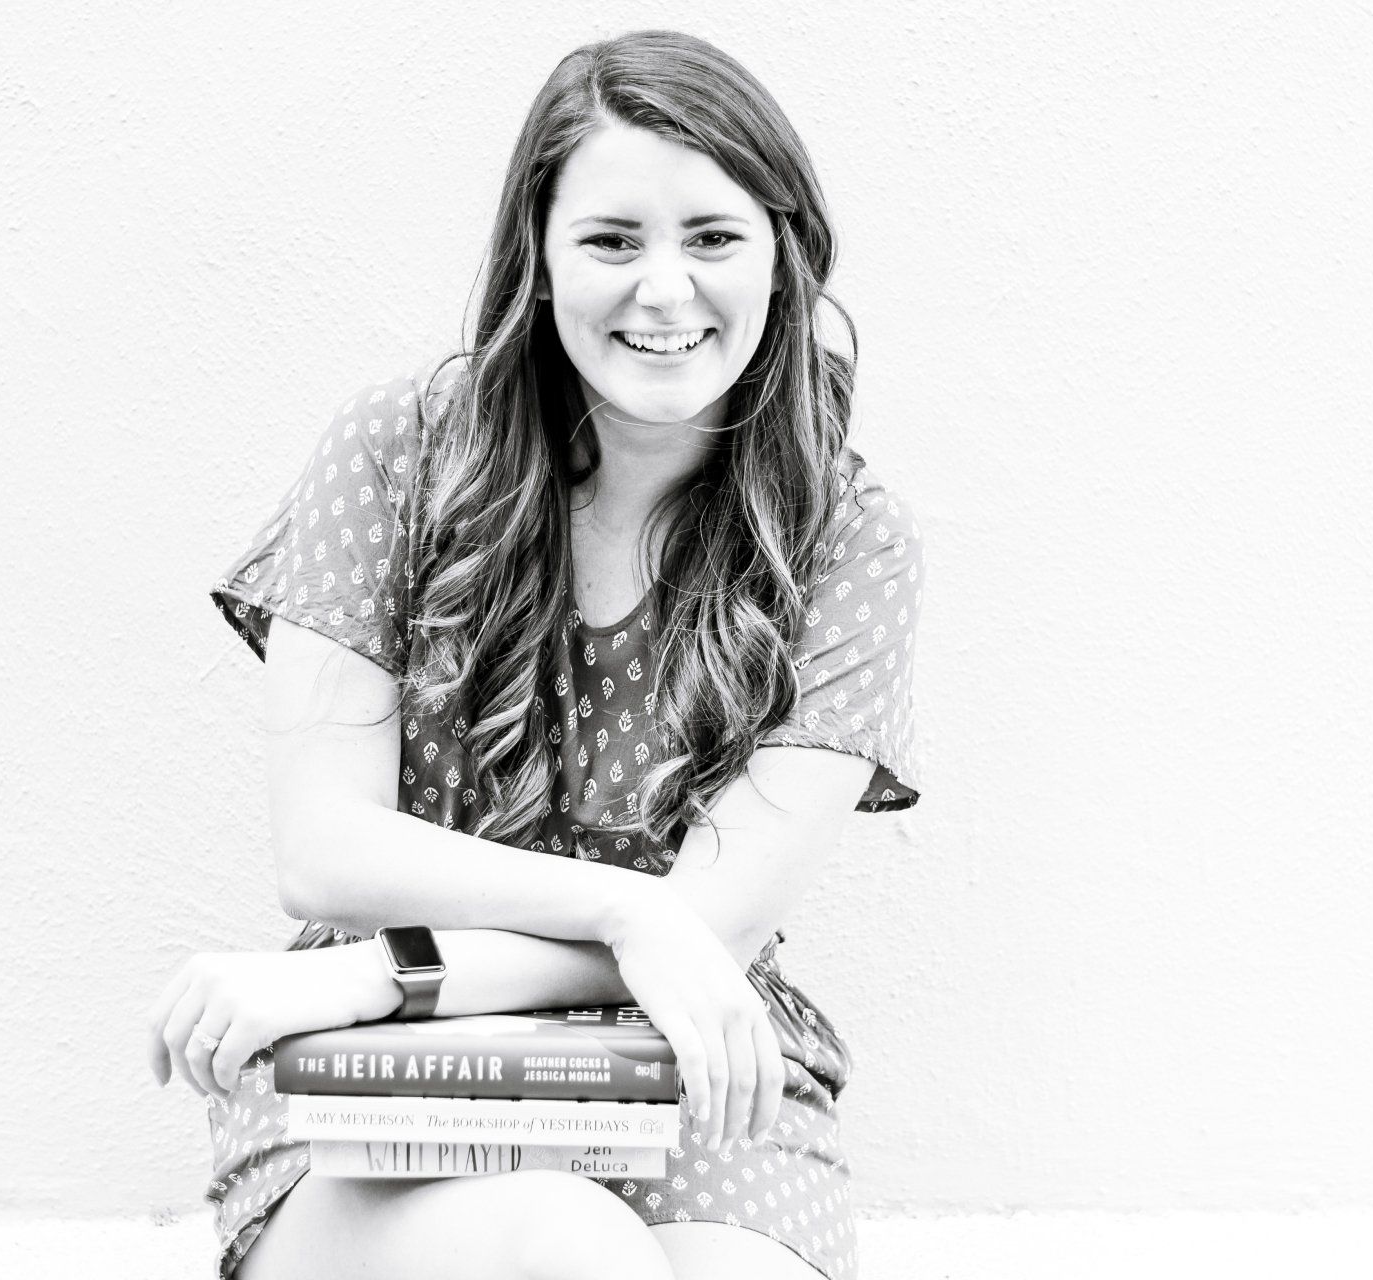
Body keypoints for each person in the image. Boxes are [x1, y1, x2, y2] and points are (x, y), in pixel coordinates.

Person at [148, 28, 924, 1280]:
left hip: (685, 1056)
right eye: (612, 239)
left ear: (783, 254)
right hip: (393, 1074)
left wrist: (391, 976)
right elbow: (326, 846)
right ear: (541, 257)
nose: (664, 291)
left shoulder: (849, 538)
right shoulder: (399, 453)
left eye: (713, 236)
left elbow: (710, 928)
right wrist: (627, 909)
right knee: (570, 1249)